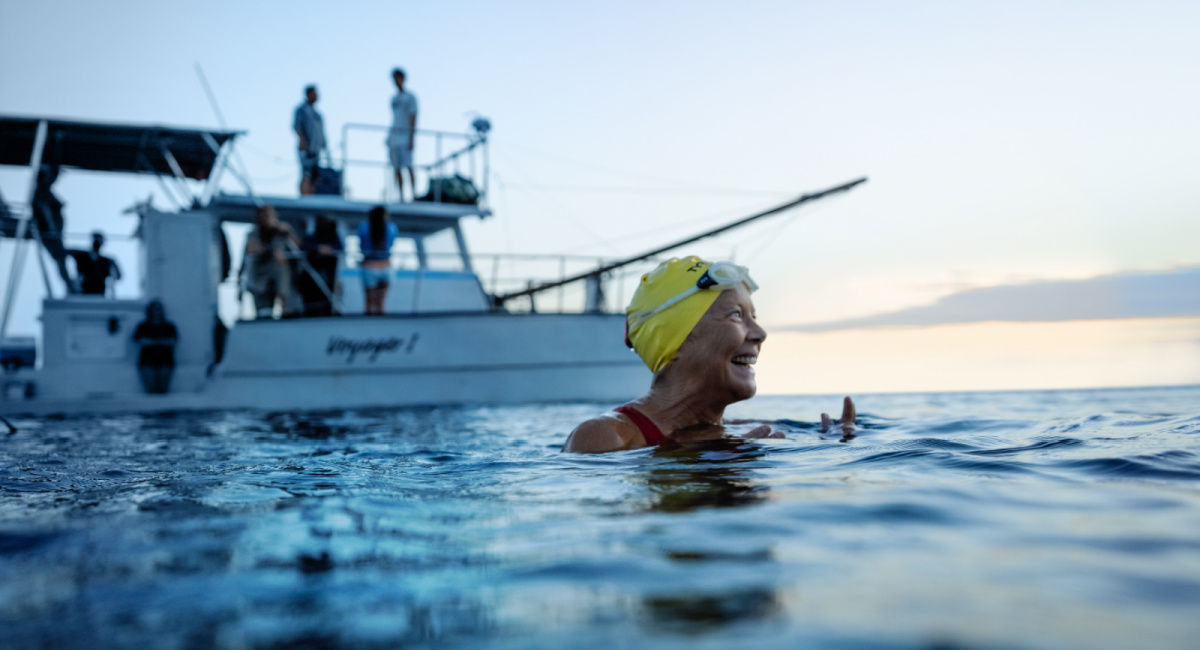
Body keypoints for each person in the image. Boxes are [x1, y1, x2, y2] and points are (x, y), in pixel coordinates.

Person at [562, 256, 856, 453]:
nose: (760, 333)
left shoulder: (740, 429)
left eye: (754, 316)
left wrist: (835, 442)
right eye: (736, 315)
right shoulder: (606, 437)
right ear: (673, 342)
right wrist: (716, 459)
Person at [244, 205, 301, 319]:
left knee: (281, 266)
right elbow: (249, 248)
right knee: (263, 313)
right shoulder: (254, 233)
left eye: (269, 217)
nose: (267, 220)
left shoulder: (282, 231)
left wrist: (288, 232)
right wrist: (270, 250)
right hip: (260, 280)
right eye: (264, 217)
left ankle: (284, 308)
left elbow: (298, 246)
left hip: (279, 277)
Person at [295, 215, 343, 316]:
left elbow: (340, 247)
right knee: (311, 303)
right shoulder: (310, 238)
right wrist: (318, 248)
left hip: (329, 277)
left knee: (327, 302)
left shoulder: (334, 238)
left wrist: (329, 249)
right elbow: (303, 246)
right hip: (311, 277)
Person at [356, 206, 398, 315]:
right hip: (386, 267)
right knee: (381, 303)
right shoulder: (391, 228)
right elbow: (392, 243)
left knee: (369, 303)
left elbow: (362, 247)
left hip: (369, 266)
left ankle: (368, 329)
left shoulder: (364, 227)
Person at [133, 300, 178, 394]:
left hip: (165, 360)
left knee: (163, 390)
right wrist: (161, 342)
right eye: (155, 309)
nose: (157, 312)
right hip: (147, 361)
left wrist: (152, 342)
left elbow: (172, 341)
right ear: (150, 311)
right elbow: (140, 341)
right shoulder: (143, 326)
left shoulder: (169, 326)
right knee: (151, 390)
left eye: (159, 309)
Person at [387, 68, 418, 201]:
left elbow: (413, 116)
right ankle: (400, 196)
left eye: (398, 78)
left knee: (408, 166)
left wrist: (411, 137)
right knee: (396, 167)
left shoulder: (410, 97)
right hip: (394, 136)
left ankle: (413, 194)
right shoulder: (394, 98)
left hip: (405, 136)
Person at [293, 84, 327, 196]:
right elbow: (297, 126)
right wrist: (302, 141)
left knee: (315, 176)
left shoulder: (318, 114)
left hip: (316, 150)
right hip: (306, 149)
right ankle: (304, 196)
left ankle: (312, 195)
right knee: (306, 174)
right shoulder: (301, 110)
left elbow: (322, 132)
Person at [69, 231, 121, 296]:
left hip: (99, 295)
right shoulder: (81, 256)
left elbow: (118, 277)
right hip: (81, 294)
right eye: (96, 240)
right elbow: (63, 252)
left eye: (99, 241)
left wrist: (114, 265)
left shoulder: (106, 261)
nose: (97, 242)